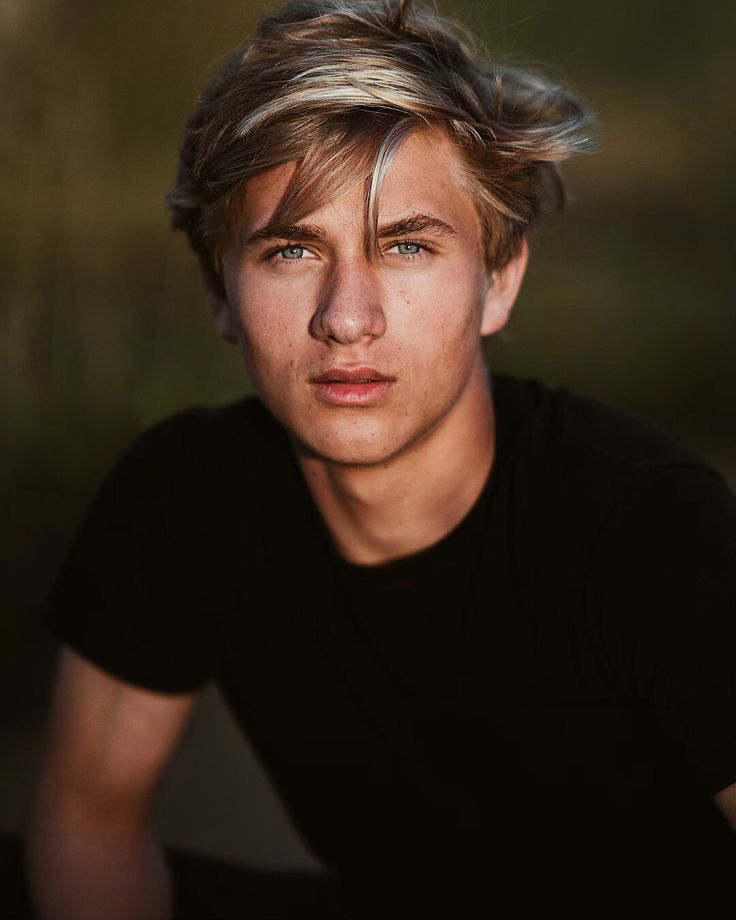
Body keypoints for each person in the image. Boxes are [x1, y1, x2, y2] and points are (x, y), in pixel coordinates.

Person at [25, 0, 736, 917]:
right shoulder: (186, 501)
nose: (347, 317)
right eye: (291, 250)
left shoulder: (642, 524)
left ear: (499, 277)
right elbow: (89, 820)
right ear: (220, 290)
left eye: (405, 246)